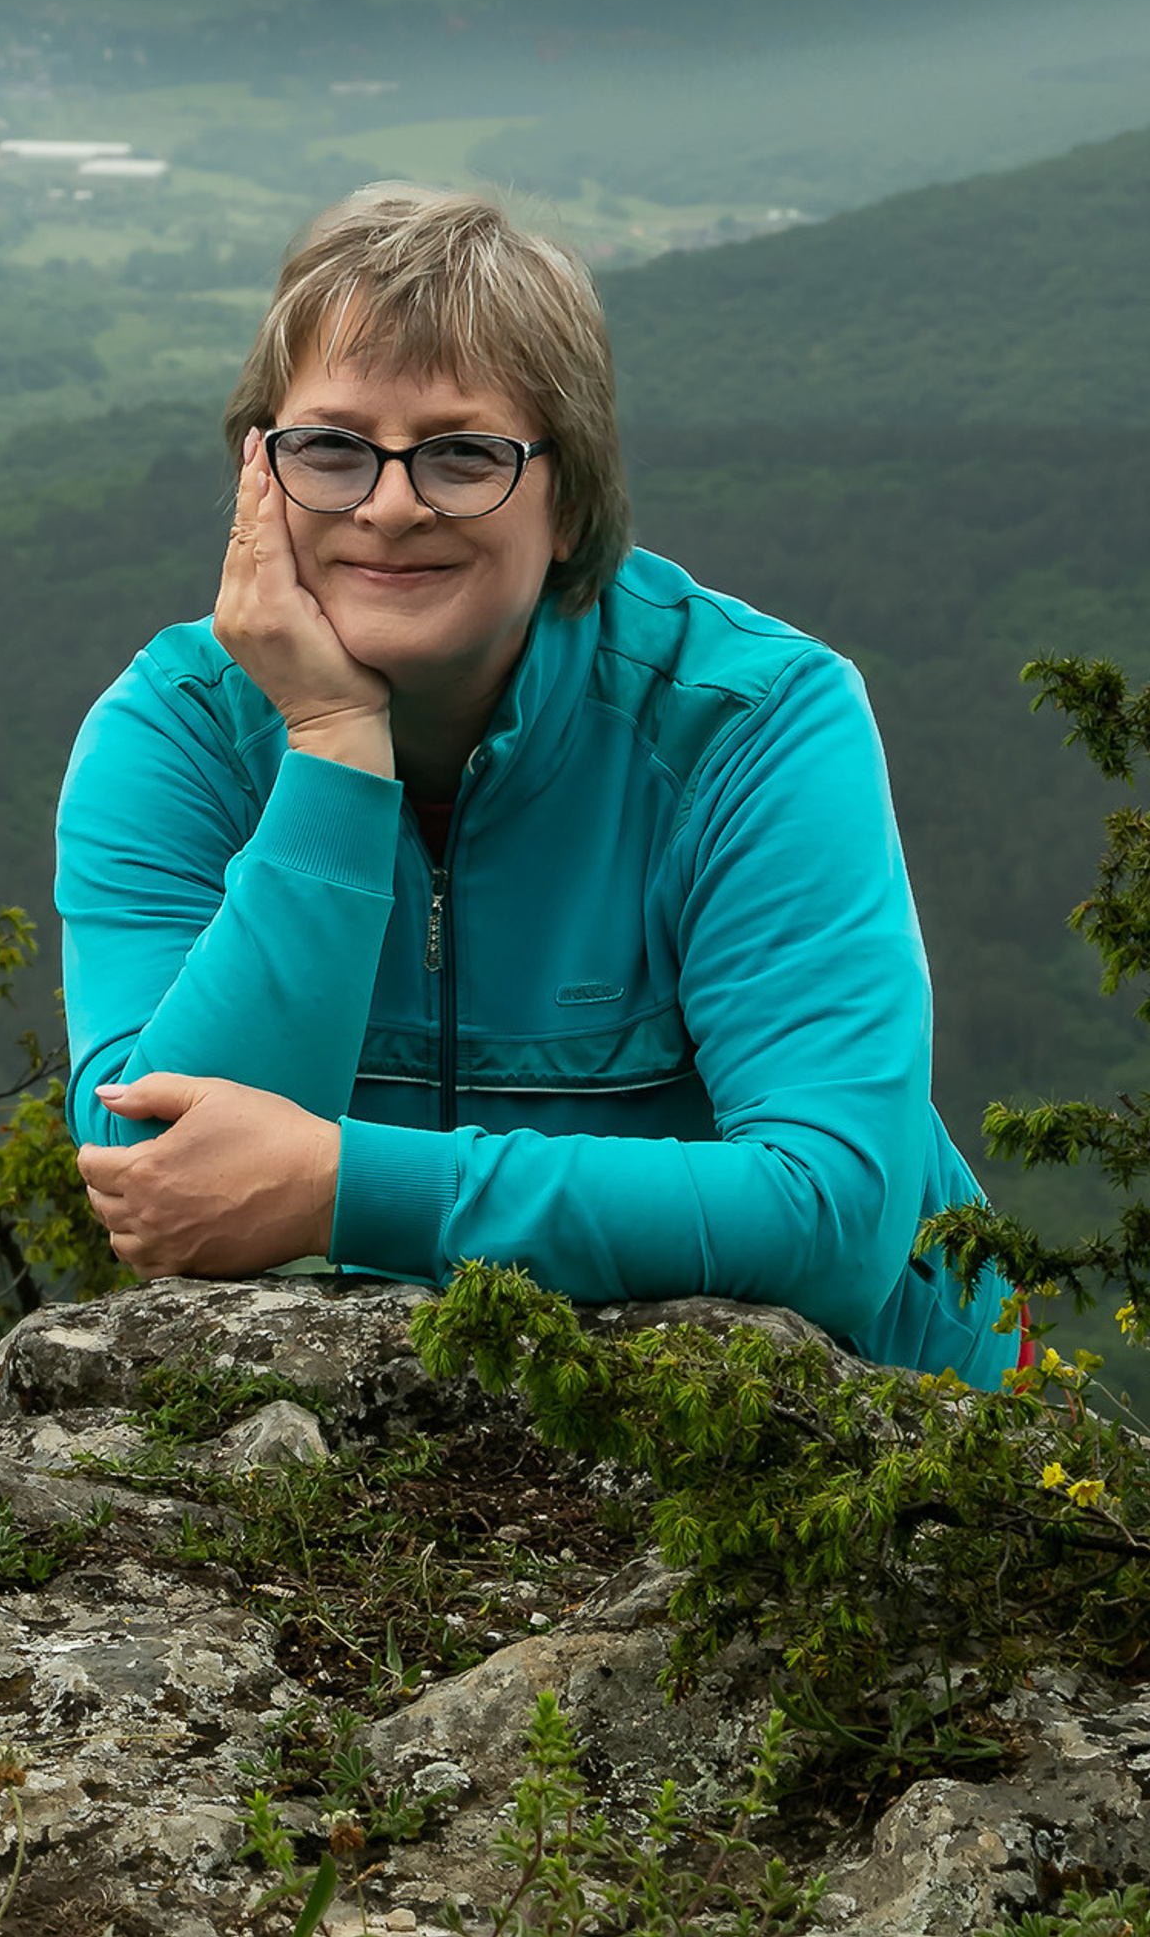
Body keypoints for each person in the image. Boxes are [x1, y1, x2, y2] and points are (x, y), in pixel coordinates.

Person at [59, 183, 1015, 1384]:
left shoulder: (751, 720)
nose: (391, 503)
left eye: (463, 454)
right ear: (261, 474)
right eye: (331, 448)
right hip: (427, 1455)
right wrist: (332, 746)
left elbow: (833, 1213)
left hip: (885, 1452)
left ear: (568, 497)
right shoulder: (179, 735)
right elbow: (161, 1174)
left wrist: (344, 1188)